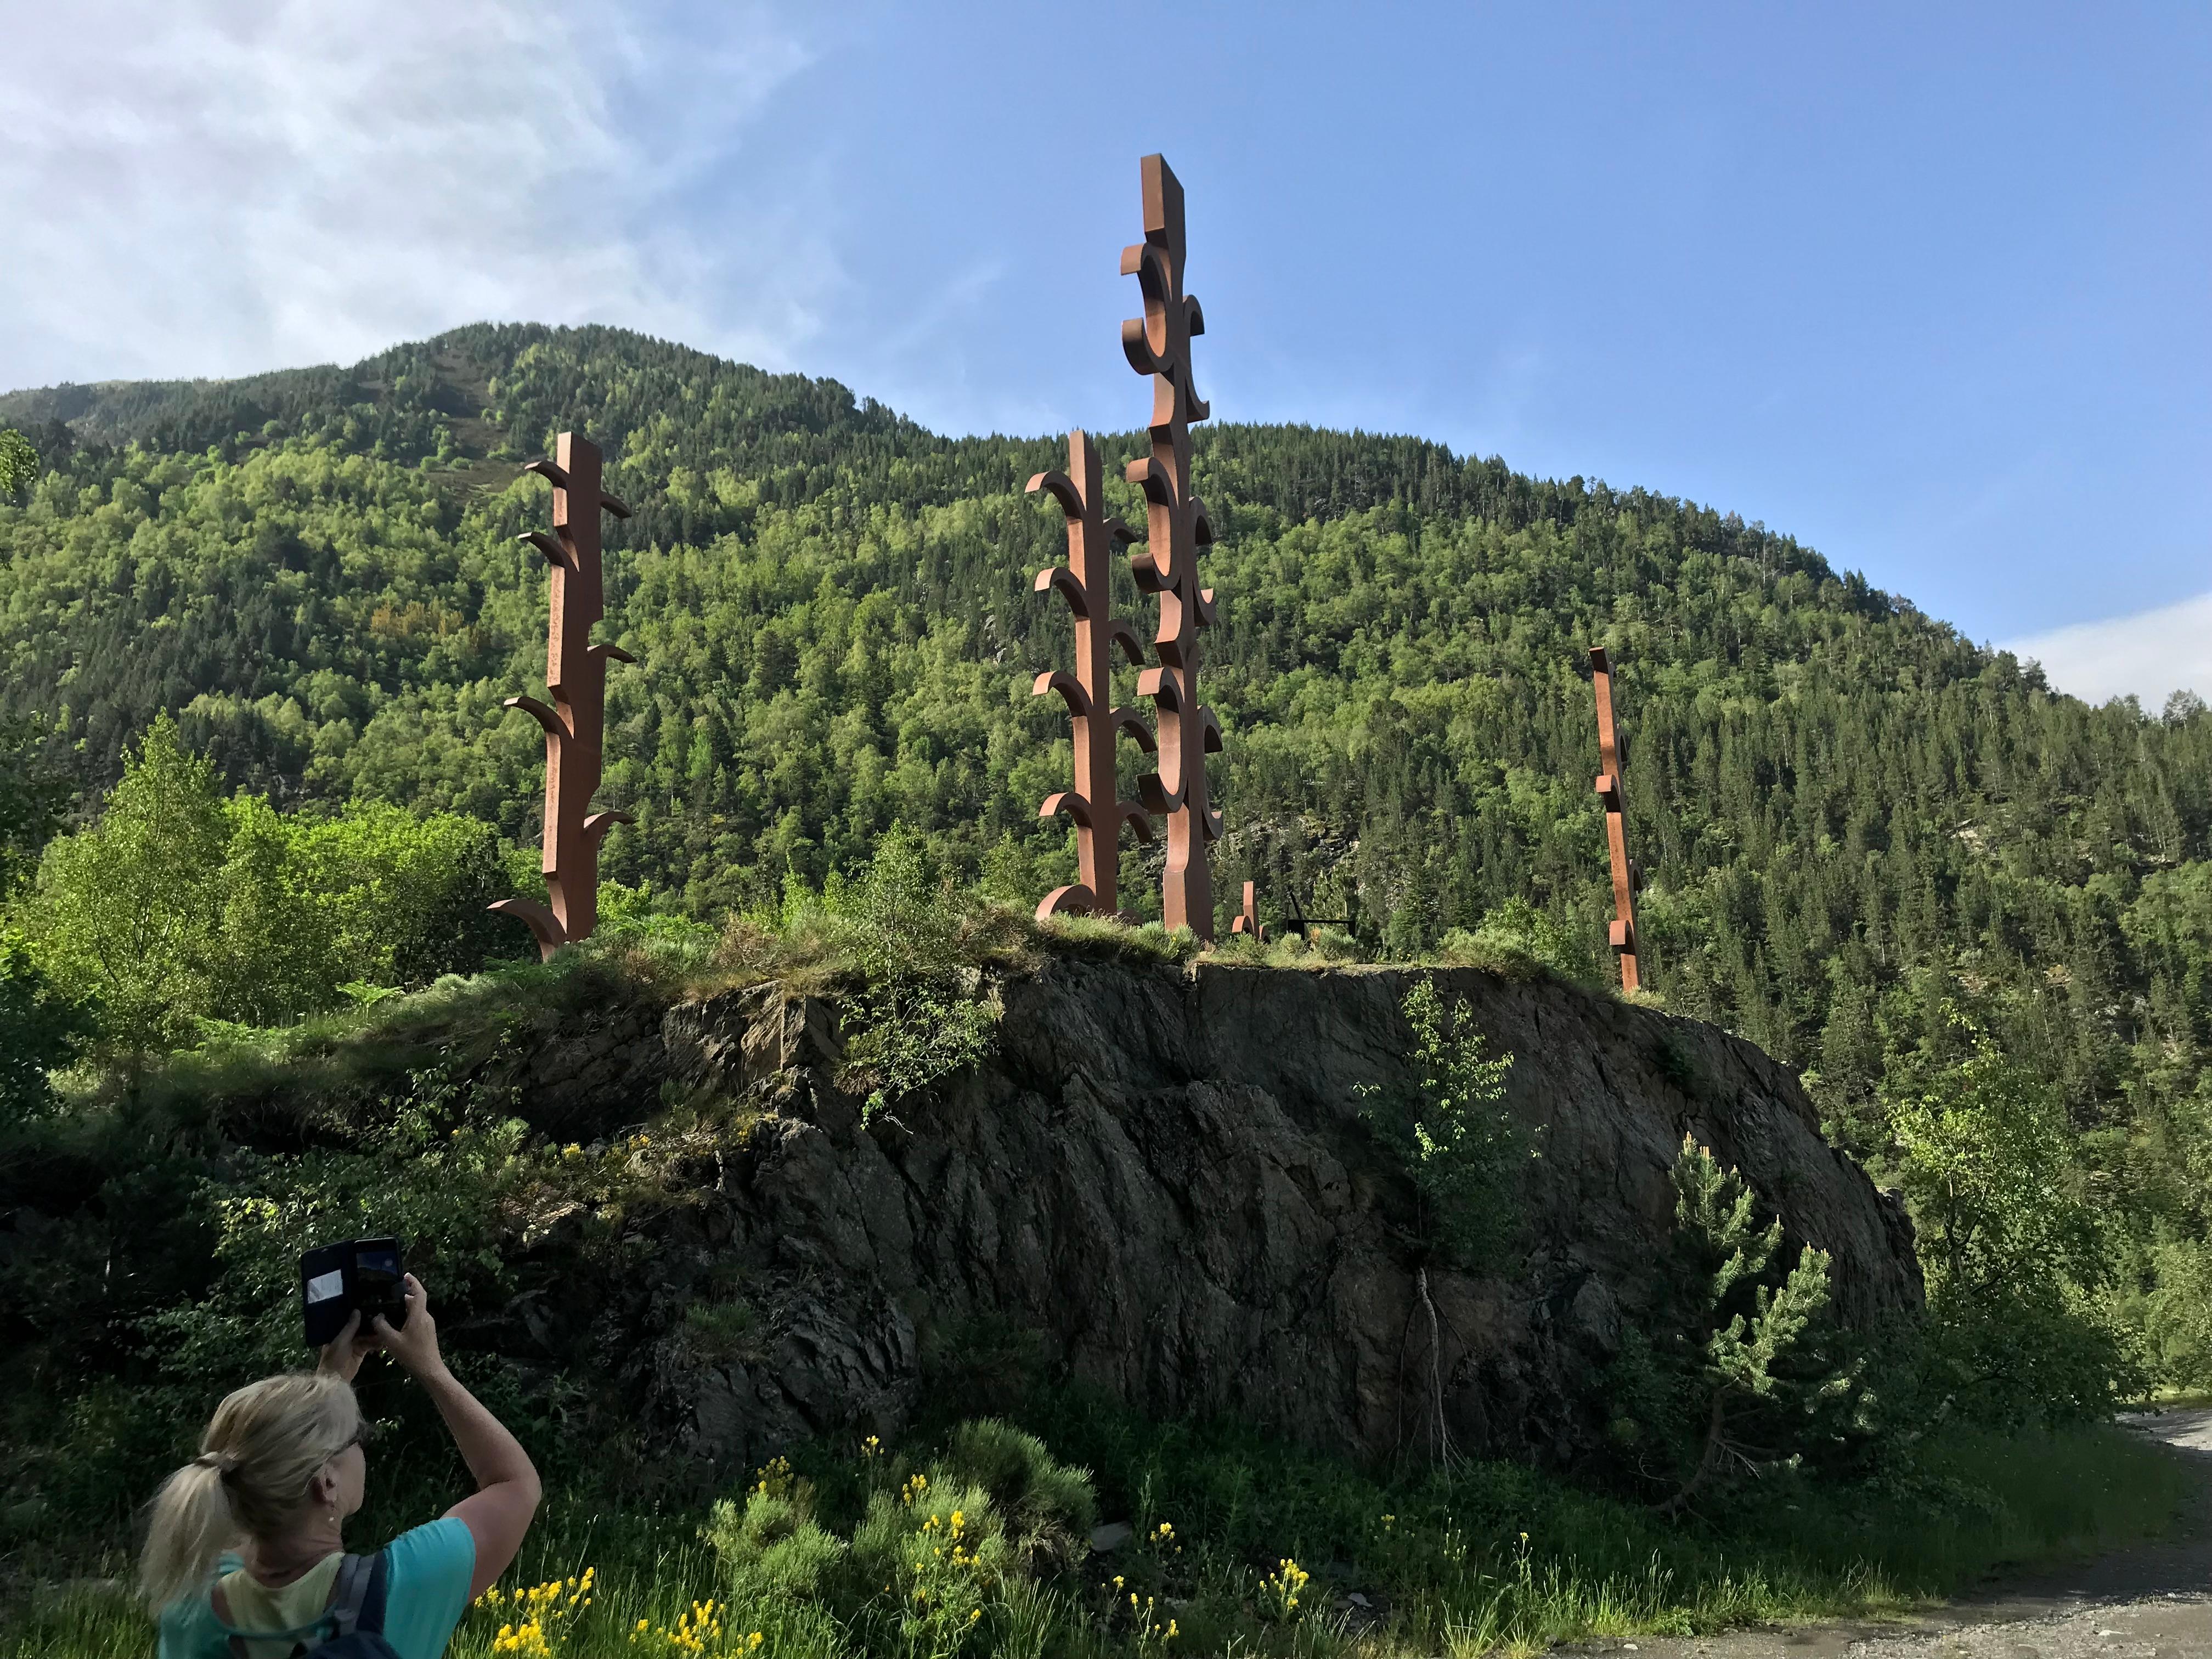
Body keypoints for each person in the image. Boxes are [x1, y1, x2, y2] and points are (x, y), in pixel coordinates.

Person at [142, 1273, 541, 1659]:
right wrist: (430, 1368)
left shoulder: (191, 1608)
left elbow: (249, 1488)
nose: (364, 1449)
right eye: (357, 1437)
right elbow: (515, 1484)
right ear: (326, 1483)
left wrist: (322, 1396)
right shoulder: (403, 1587)